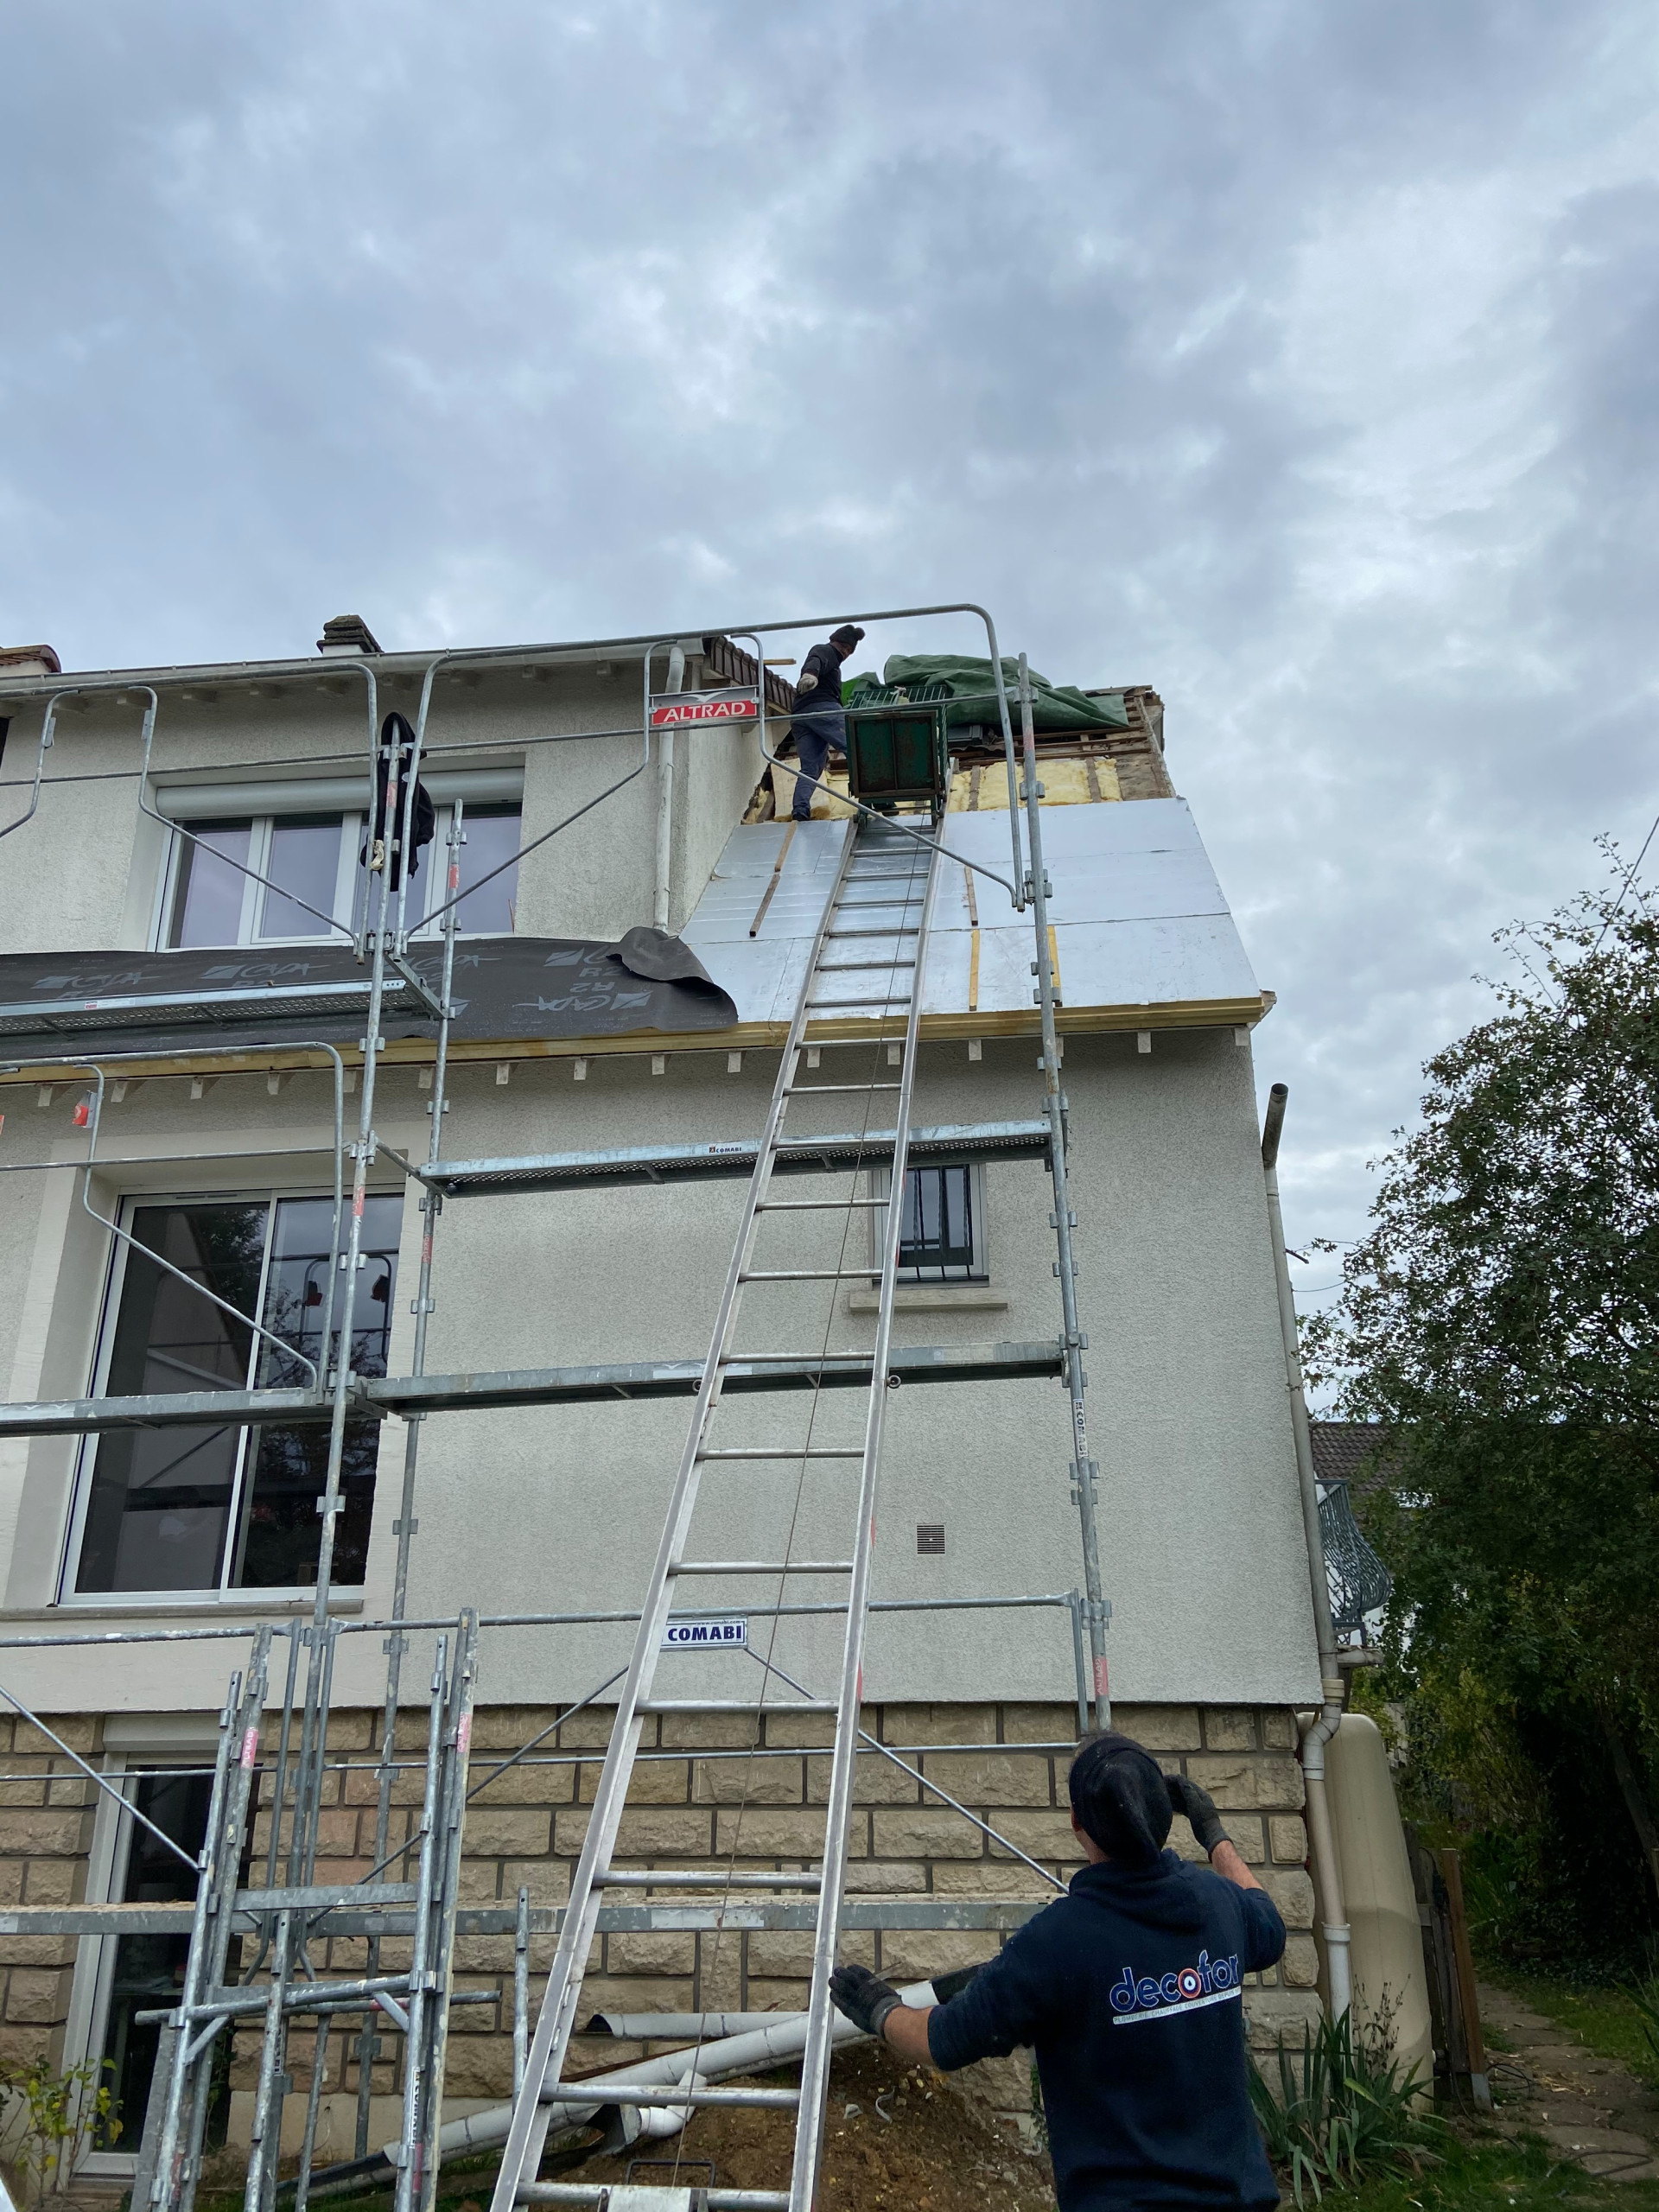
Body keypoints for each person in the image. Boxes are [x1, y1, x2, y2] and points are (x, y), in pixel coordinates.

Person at [830, 1733, 1287, 2212]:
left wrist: (881, 2010)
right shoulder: (1220, 1904)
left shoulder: (1056, 1943)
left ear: (1076, 1822)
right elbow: (1269, 1925)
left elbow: (940, 2040)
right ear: (1166, 1816)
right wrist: (1214, 1834)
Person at [786, 622, 864, 821]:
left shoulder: (833, 662)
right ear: (835, 642)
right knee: (855, 746)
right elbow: (816, 658)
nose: (844, 653)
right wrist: (810, 674)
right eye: (844, 648)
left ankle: (800, 810)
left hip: (801, 716)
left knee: (811, 767)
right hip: (823, 709)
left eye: (849, 651)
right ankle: (872, 798)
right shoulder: (827, 650)